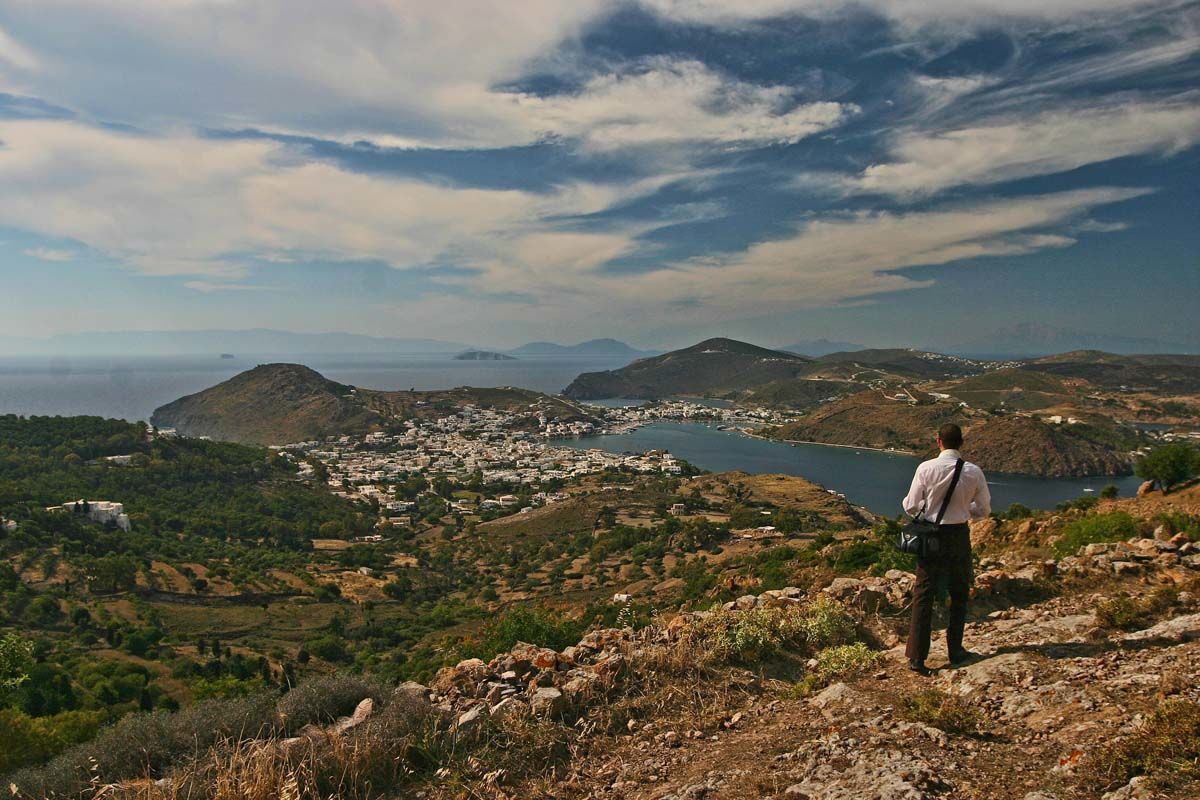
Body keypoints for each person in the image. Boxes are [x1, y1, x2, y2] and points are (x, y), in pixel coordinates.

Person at [901, 422, 991, 675]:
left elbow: (911, 505)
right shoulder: (974, 471)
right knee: (959, 593)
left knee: (924, 594)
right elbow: (984, 510)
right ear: (961, 443)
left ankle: (917, 658)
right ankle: (956, 651)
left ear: (938, 441)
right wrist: (963, 511)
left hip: (931, 537)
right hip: (959, 536)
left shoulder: (926, 468)